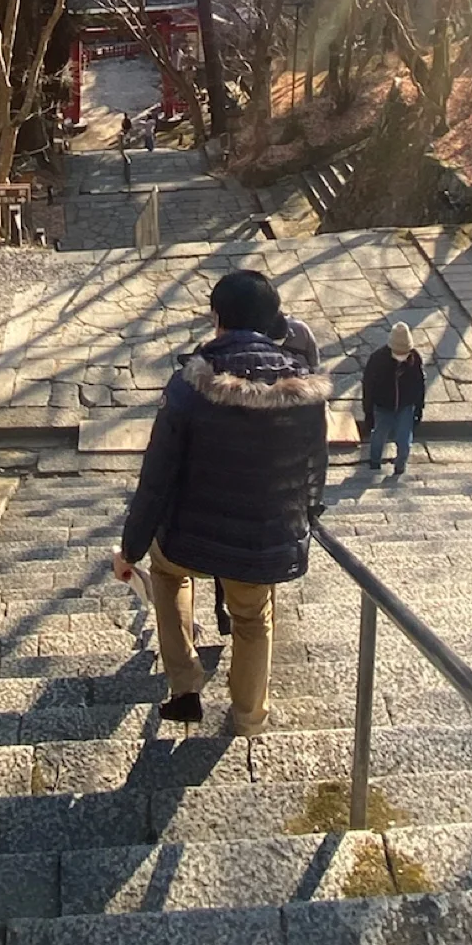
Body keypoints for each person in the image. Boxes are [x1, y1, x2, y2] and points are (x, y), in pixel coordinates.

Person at [110, 263, 330, 736]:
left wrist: (130, 549)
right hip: (263, 535)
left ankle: (186, 682)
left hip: (192, 535)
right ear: (274, 321)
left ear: (217, 318)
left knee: (167, 575)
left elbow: (158, 475)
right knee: (253, 616)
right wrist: (306, 517)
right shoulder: (305, 391)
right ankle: (250, 715)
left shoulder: (191, 385)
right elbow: (314, 469)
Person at [359, 323, 426, 481]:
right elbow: (368, 386)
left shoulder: (414, 359)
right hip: (383, 407)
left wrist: (419, 408)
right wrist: (368, 412)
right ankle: (374, 464)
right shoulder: (377, 359)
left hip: (405, 406)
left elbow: (420, 385)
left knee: (404, 442)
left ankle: (400, 466)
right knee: (378, 437)